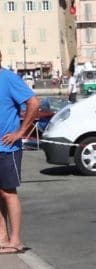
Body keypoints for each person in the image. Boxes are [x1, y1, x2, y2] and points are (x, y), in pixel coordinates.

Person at [0, 50, 39, 254]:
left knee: (8, 192)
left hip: (7, 147)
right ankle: (2, 238)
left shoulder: (8, 78)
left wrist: (20, 132)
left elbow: (33, 102)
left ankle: (16, 240)